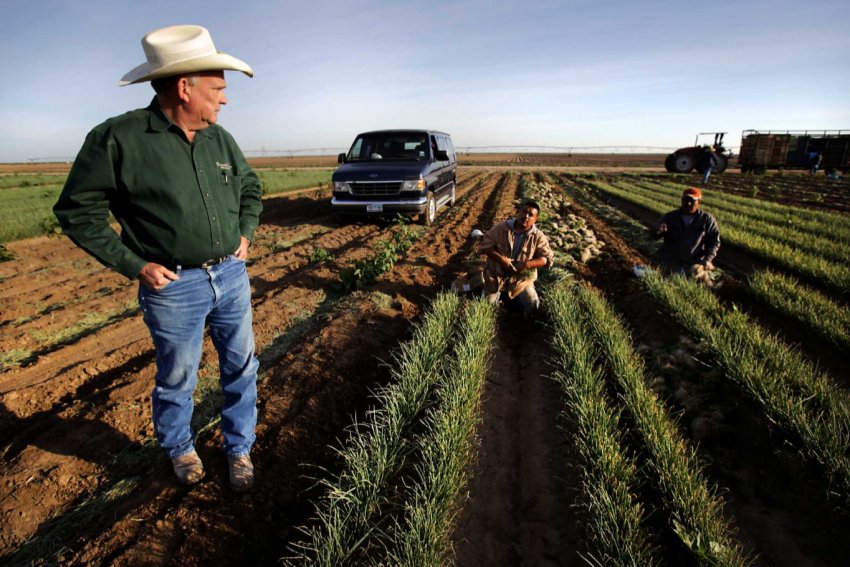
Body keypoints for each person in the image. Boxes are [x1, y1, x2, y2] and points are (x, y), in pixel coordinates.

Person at [53, 25, 262, 492]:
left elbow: (249, 187)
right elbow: (77, 212)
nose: (225, 100)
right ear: (185, 88)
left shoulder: (220, 138)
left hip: (230, 275)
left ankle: (239, 447)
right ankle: (180, 448)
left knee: (242, 366)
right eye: (218, 89)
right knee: (178, 376)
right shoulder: (118, 140)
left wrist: (245, 232)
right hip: (174, 287)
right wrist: (136, 265)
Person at [480, 201, 554, 313]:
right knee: (486, 307)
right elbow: (486, 245)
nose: (526, 216)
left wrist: (525, 264)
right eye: (524, 212)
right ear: (518, 212)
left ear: (535, 219)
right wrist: (501, 259)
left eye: (531, 215)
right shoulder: (501, 228)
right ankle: (498, 296)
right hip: (496, 277)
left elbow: (546, 259)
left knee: (533, 305)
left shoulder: (538, 236)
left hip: (521, 281)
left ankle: (511, 301)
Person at [651, 187, 720, 280]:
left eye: (692, 200)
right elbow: (653, 235)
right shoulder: (670, 217)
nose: (688, 203)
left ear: (699, 202)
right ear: (681, 200)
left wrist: (707, 259)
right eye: (685, 200)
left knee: (705, 286)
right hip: (671, 262)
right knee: (673, 282)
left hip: (694, 263)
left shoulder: (706, 219)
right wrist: (658, 231)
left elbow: (714, 241)